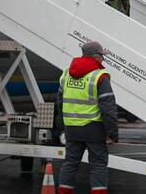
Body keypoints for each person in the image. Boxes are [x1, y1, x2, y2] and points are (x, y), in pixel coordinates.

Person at [56, 41, 118, 194]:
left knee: (70, 163)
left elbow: (59, 102)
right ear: (96, 57)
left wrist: (63, 126)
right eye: (102, 56)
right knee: (98, 165)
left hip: (71, 128)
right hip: (94, 129)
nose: (103, 59)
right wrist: (112, 133)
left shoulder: (66, 73)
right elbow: (108, 108)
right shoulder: (99, 76)